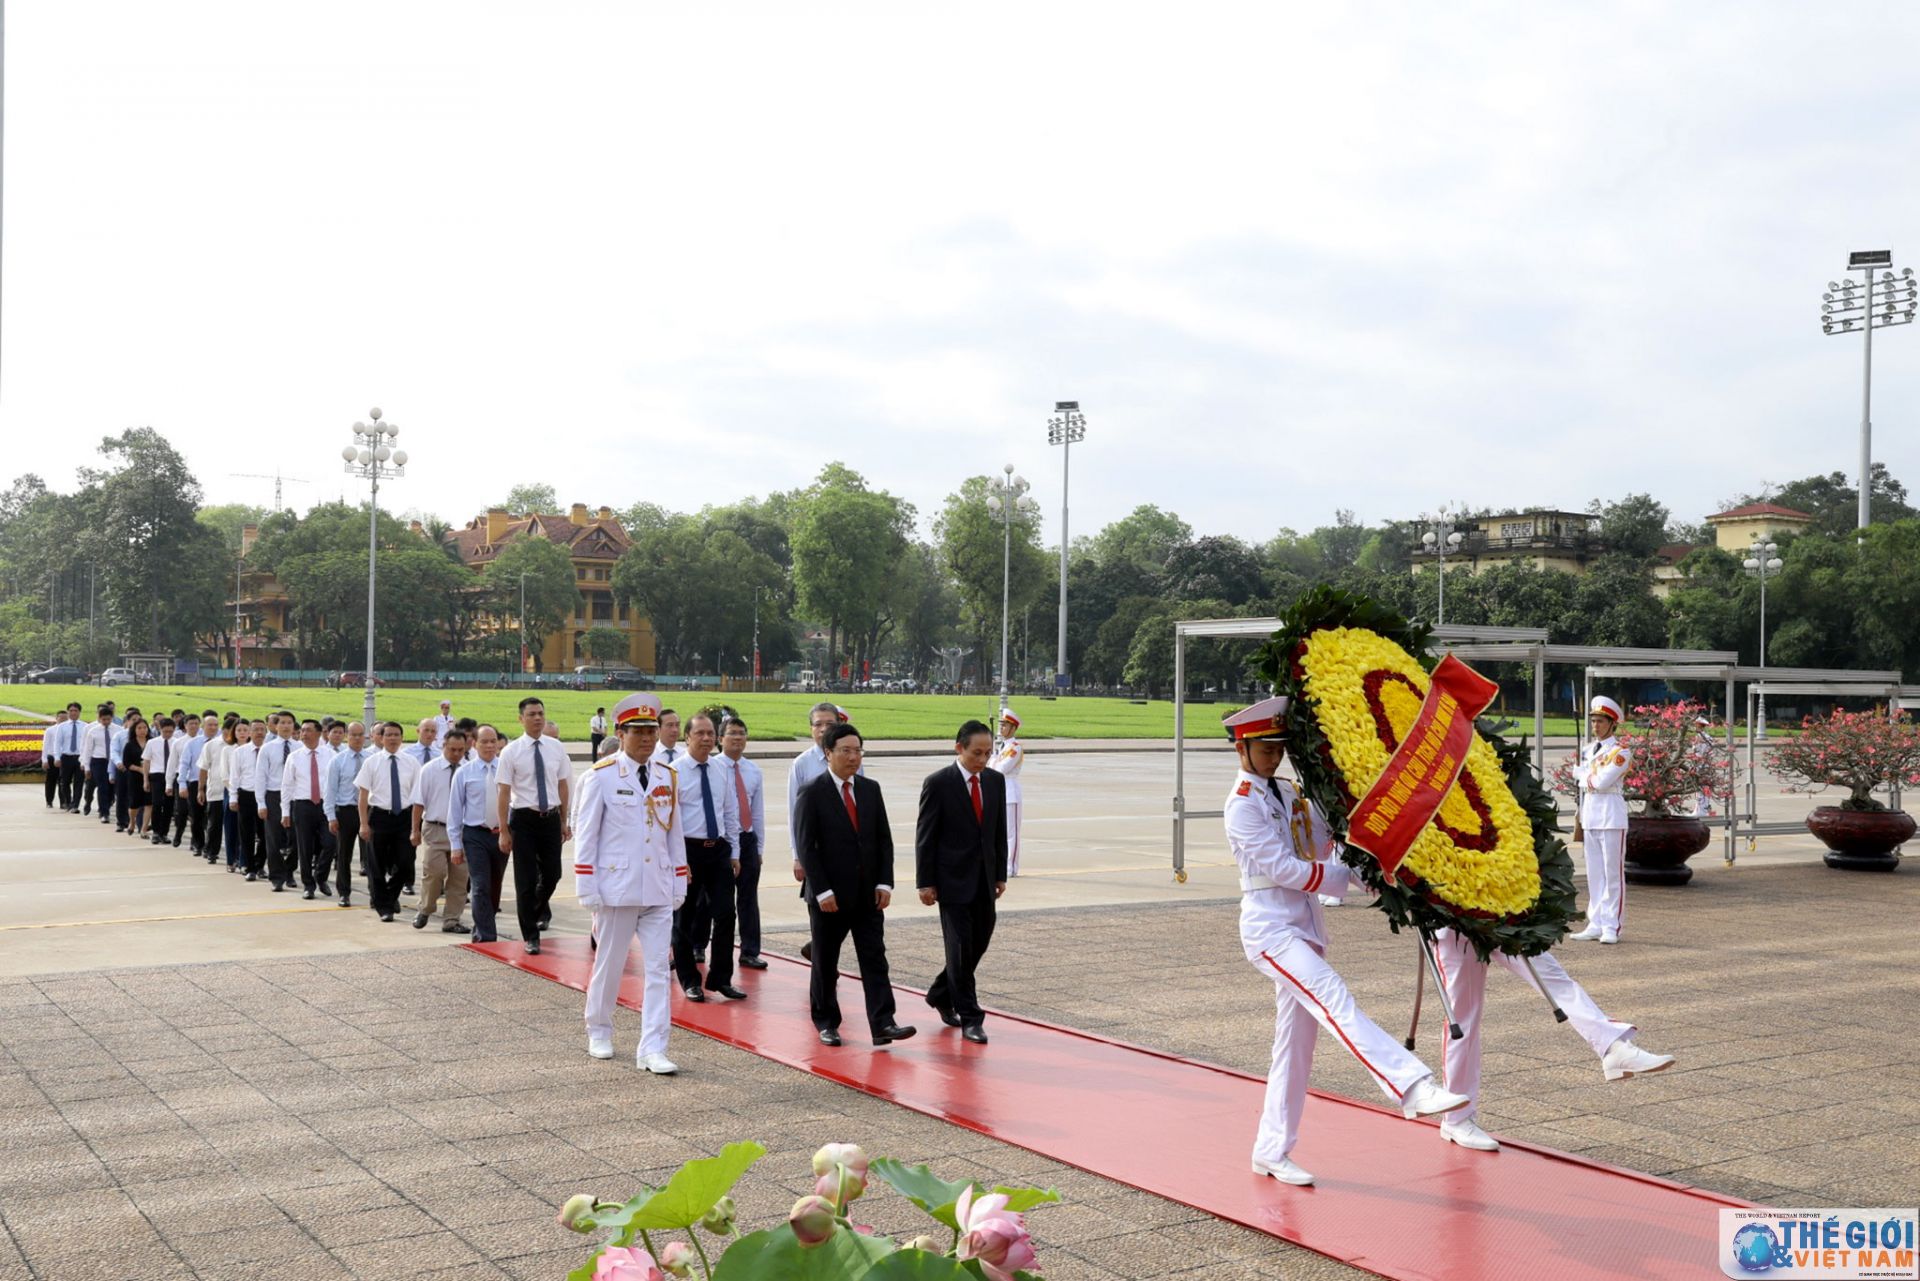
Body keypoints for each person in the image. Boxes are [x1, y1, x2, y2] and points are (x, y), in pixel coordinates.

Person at [1222, 696, 1467, 1187]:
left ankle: (1270, 1150)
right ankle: (1411, 1085)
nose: (1274, 757)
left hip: (1305, 927)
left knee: (1293, 1048)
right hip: (1270, 929)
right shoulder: (1241, 806)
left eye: (1278, 748)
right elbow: (1285, 870)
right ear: (1241, 749)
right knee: (1334, 998)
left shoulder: (1289, 793)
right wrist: (1341, 878)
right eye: (1264, 749)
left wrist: (1382, 880)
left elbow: (1330, 843)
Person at [1430, 930, 1677, 1152]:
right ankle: (1456, 1118)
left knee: (1552, 976)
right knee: (1462, 1017)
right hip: (1451, 922)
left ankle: (1613, 1047)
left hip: (1499, 912)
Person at [577, 693, 687, 1074]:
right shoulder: (601, 776)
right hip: (616, 887)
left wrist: (679, 879)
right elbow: (587, 834)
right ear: (620, 733)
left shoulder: (666, 776)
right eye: (638, 731)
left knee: (658, 969)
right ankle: (599, 1029)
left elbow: (674, 834)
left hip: (656, 886)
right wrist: (587, 885)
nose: (646, 739)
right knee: (610, 963)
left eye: (651, 731)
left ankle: (653, 1048)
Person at [793, 722, 915, 1048]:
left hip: (867, 894)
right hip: (829, 895)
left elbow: (883, 840)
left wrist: (885, 882)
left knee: (875, 958)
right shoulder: (812, 791)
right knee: (825, 961)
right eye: (845, 751)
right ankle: (826, 1021)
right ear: (828, 753)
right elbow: (807, 846)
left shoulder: (869, 789)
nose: (853, 757)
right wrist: (822, 890)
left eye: (858, 750)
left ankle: (883, 1022)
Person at [916, 719, 1008, 1045]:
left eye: (987, 753)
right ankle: (971, 1017)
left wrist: (1000, 873)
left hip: (984, 880)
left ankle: (940, 992)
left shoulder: (995, 781)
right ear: (959, 748)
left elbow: (998, 830)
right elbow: (925, 837)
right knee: (958, 949)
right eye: (976, 753)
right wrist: (925, 882)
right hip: (951, 882)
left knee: (978, 943)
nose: (982, 760)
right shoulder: (938, 783)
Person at [670, 713, 744, 1001]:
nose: (706, 738)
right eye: (699, 733)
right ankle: (689, 979)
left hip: (719, 850)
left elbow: (730, 812)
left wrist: (735, 852)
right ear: (687, 737)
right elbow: (671, 820)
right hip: (688, 850)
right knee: (684, 918)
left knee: (726, 914)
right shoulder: (674, 772)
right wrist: (678, 859)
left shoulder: (720, 769)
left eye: (710, 733)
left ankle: (721, 978)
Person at [496, 697, 572, 955]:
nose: (537, 718)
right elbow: (503, 793)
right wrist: (504, 830)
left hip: (550, 817)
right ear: (521, 718)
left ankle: (532, 911)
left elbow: (562, 784)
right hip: (523, 819)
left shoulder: (556, 748)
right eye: (532, 714)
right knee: (525, 880)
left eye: (541, 713)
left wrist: (564, 819)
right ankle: (531, 934)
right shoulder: (511, 751)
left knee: (553, 874)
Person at [787, 701, 858, 961]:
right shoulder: (802, 764)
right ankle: (824, 964)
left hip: (848, 853)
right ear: (811, 729)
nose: (824, 729)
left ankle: (819, 952)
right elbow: (794, 813)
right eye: (819, 724)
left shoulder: (852, 758)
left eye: (830, 724)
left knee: (849, 912)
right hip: (815, 852)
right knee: (822, 914)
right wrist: (798, 856)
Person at [1570, 696, 1631, 944]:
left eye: (1600, 721)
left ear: (1611, 723)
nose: (1595, 726)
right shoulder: (1587, 751)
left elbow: (1602, 782)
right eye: (1593, 721)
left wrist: (1581, 777)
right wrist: (1585, 776)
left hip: (1611, 816)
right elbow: (1591, 781)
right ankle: (1595, 922)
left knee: (1612, 874)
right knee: (1594, 874)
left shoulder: (1620, 752)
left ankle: (1611, 926)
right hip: (1591, 816)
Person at [355, 721, 422, 923]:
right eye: (388, 735)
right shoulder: (371, 762)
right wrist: (364, 824)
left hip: (404, 817)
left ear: (402, 738)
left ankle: (389, 896)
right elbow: (363, 796)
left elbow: (418, 796)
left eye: (396, 734)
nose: (392, 738)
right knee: (376, 865)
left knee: (405, 863)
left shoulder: (411, 762)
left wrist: (416, 826)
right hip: (379, 817)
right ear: (381, 738)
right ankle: (384, 907)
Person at [409, 728, 471, 933]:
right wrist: (415, 830)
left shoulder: (469, 769)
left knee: (459, 878)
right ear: (443, 746)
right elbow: (418, 802)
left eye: (461, 750)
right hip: (436, 828)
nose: (456, 754)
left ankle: (452, 919)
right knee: (434, 872)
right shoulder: (429, 769)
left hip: (461, 832)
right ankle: (425, 909)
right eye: (452, 749)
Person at [449, 724, 507, 942]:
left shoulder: (505, 769)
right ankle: (486, 936)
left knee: (494, 886)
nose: (489, 746)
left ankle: (483, 925)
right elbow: (455, 810)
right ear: (474, 744)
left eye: (493, 741)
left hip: (501, 834)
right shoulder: (465, 772)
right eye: (484, 741)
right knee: (480, 886)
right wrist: (456, 845)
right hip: (475, 835)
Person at [720, 716, 768, 971]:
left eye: (742, 733)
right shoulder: (714, 768)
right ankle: (700, 947)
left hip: (747, 839)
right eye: (732, 733)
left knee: (748, 898)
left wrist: (759, 848)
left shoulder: (753, 771)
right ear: (721, 739)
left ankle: (750, 951)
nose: (738, 738)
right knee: (716, 900)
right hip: (724, 841)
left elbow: (757, 811)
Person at [280, 719, 335, 901]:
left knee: (330, 844)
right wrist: (285, 812)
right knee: (304, 847)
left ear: (319, 733)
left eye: (308, 730)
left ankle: (321, 876)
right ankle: (308, 885)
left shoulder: (330, 755)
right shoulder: (294, 757)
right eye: (302, 730)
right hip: (302, 805)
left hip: (325, 805)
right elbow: (287, 785)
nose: (303, 734)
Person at [327, 721, 372, 905]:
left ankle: (374, 893)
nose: (357, 738)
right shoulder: (338, 760)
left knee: (370, 855)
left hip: (367, 811)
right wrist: (331, 816)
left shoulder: (371, 759)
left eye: (360, 734)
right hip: (345, 810)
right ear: (347, 736)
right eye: (353, 734)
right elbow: (330, 790)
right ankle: (344, 893)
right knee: (344, 854)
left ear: (366, 736)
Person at [256, 712, 296, 890]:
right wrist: (261, 803)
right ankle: (277, 877)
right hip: (274, 795)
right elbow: (260, 777)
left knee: (296, 838)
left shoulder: (300, 747)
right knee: (273, 838)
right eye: (282, 723)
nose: (286, 726)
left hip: (296, 797)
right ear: (276, 726)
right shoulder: (268, 748)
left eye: (289, 723)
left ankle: (290, 871)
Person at [989, 707, 1025, 876]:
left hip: (1010, 792)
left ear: (1013, 728)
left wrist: (994, 761)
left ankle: (1011, 867)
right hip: (999, 791)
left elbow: (1001, 769)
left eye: (1005, 725)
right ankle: (1002, 864)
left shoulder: (1015, 747)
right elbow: (989, 767)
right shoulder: (1002, 748)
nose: (1001, 728)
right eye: (1001, 725)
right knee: (1000, 832)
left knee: (1012, 833)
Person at [231, 720, 265, 880]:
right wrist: (233, 797)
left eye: (262, 729)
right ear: (250, 733)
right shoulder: (240, 752)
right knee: (247, 833)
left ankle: (260, 864)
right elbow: (235, 776)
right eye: (255, 729)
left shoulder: (269, 749)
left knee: (266, 834)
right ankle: (249, 867)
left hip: (266, 796)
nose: (259, 732)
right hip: (246, 795)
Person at [143, 717, 181, 845]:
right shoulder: (152, 743)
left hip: (172, 775)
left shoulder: (177, 742)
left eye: (170, 731)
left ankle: (164, 832)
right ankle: (156, 832)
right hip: (157, 775)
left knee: (169, 806)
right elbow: (147, 761)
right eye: (165, 731)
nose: (168, 734)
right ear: (160, 729)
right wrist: (145, 779)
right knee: (157, 804)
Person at [201, 716, 231, 868]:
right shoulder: (211, 745)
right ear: (224, 730)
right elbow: (203, 768)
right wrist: (201, 789)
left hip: (235, 792)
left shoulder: (241, 746)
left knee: (233, 826)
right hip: (216, 790)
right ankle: (212, 851)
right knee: (215, 824)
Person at [80, 704, 115, 825]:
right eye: (103, 719)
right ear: (99, 718)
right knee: (102, 786)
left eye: (108, 719)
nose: (106, 722)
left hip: (113, 761)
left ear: (112, 718)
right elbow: (87, 750)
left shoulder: (118, 730)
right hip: (98, 761)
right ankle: (104, 812)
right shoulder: (93, 731)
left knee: (112, 788)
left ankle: (108, 804)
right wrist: (87, 766)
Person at [124, 719, 151, 837]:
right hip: (135, 776)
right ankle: (132, 821)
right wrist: (140, 769)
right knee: (134, 803)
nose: (142, 730)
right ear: (134, 730)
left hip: (150, 776)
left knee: (149, 803)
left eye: (144, 727)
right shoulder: (130, 744)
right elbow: (127, 762)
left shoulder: (152, 742)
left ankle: (144, 829)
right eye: (139, 728)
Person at [55, 700, 83, 812]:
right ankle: (68, 801)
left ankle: (75, 804)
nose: (73, 713)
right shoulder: (62, 727)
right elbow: (57, 743)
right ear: (68, 712)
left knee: (79, 783)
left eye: (75, 711)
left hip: (80, 757)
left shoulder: (85, 726)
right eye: (71, 711)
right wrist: (57, 757)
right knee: (65, 782)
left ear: (79, 712)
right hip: (66, 757)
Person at [41, 709, 66, 810]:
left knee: (64, 781)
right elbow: (45, 746)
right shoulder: (50, 730)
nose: (63, 720)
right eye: (61, 718)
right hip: (52, 758)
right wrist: (44, 760)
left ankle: (63, 802)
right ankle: (49, 801)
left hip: (64, 758)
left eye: (66, 718)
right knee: (51, 781)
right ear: (56, 718)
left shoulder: (67, 730)